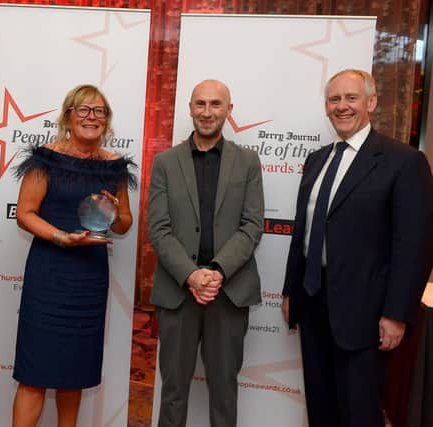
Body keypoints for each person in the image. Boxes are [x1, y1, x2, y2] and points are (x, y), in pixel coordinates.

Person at [282, 69, 433, 426]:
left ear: (371, 102)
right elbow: (303, 232)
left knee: (359, 412)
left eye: (351, 98)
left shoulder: (404, 161)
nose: (342, 107)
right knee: (321, 407)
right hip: (313, 303)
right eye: (334, 99)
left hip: (365, 314)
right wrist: (291, 291)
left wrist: (397, 314)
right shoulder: (317, 159)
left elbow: (414, 246)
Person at [11, 84, 136, 427]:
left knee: (74, 371)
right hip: (50, 273)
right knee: (34, 372)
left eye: (99, 111)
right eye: (83, 110)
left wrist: (114, 211)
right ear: (68, 117)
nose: (91, 117)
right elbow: (25, 213)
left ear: (107, 121)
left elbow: (125, 224)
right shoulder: (45, 159)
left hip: (89, 279)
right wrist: (62, 238)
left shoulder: (115, 167)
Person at [148, 79, 264, 427]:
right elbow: (159, 228)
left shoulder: (247, 162)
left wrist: (215, 271)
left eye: (216, 104)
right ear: (190, 108)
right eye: (200, 104)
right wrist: (192, 275)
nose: (207, 112)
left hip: (228, 293)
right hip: (177, 293)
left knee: (224, 392)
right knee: (172, 392)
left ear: (229, 110)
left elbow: (252, 225)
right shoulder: (165, 162)